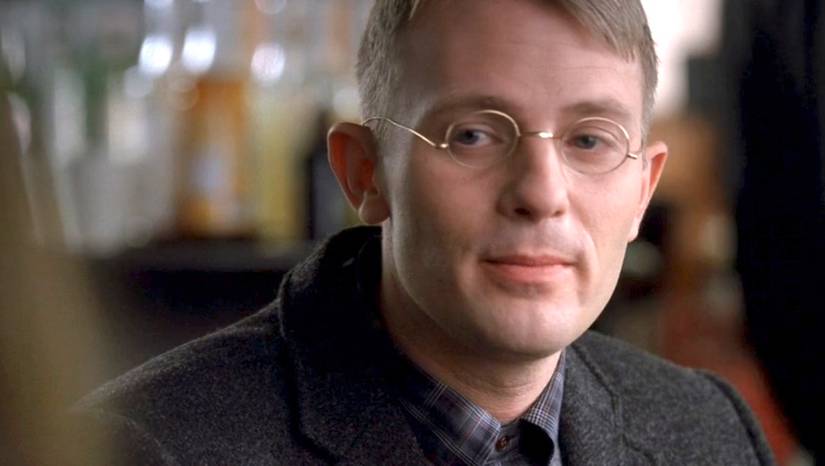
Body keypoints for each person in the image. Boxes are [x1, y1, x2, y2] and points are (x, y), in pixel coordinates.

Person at [76, 0, 775, 464]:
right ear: (364, 173)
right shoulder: (141, 447)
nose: (540, 193)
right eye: (472, 134)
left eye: (589, 140)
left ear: (641, 192)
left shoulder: (710, 435)